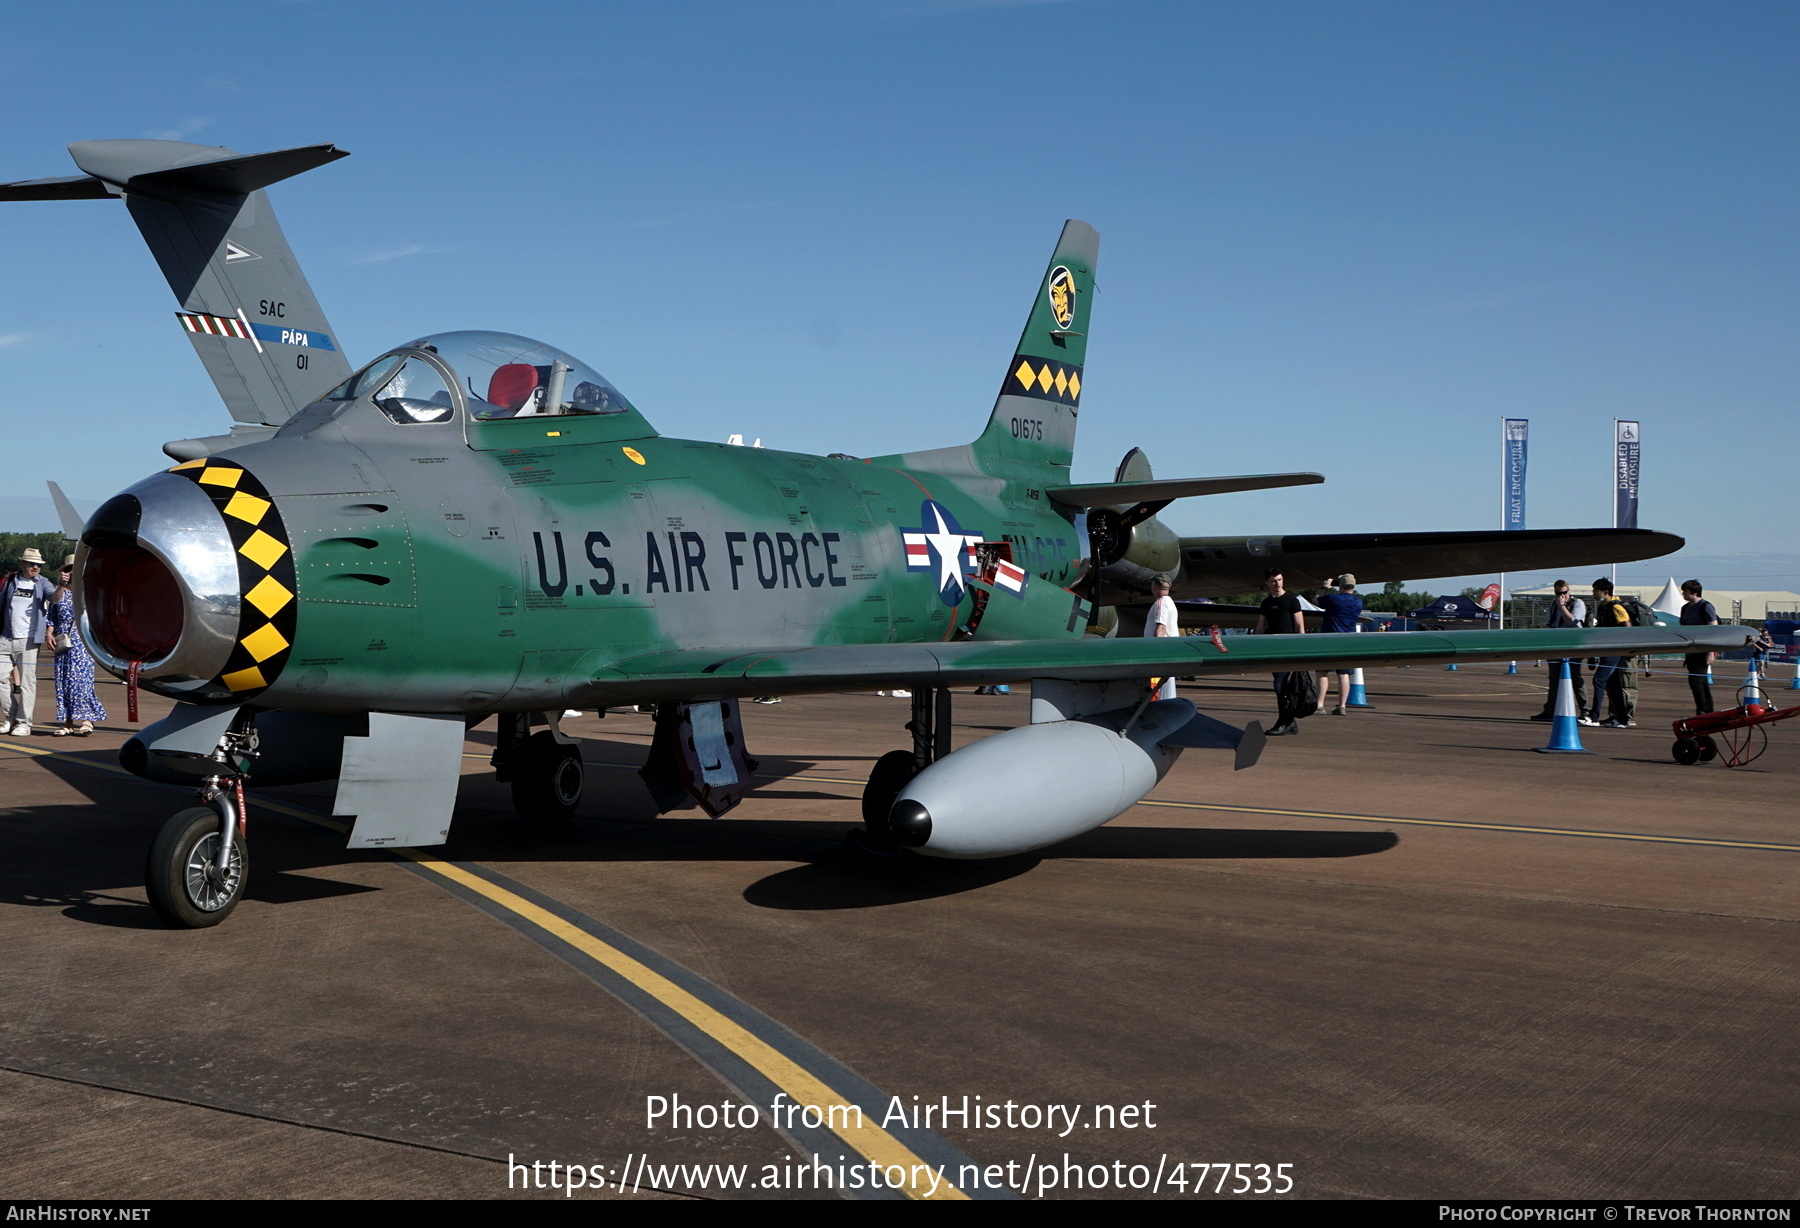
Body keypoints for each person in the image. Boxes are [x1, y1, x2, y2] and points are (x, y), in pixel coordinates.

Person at [46, 556, 104, 736]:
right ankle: (68, 722)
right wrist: (49, 633)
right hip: (63, 641)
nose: (71, 572)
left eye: (75, 568)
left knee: (82, 682)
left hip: (82, 640)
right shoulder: (61, 591)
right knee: (64, 682)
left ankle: (87, 719)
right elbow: (53, 609)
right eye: (69, 569)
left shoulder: (88, 591)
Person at [1, 548, 55, 735]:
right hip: (5, 637)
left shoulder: (43, 583)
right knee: (0, 679)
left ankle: (24, 722)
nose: (35, 567)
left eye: (38, 565)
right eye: (31, 564)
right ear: (22, 564)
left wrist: (62, 586)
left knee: (27, 682)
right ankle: (10, 716)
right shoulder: (10, 581)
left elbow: (54, 598)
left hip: (29, 639)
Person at [1256, 568, 1307, 735]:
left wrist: (1301, 648)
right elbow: (1261, 627)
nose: (1276, 583)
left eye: (1279, 579)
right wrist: (1255, 646)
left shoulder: (1292, 601)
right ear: (1267, 583)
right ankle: (1288, 721)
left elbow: (1300, 626)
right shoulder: (1266, 603)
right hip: (1273, 649)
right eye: (1273, 580)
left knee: (1281, 684)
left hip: (1289, 648)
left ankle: (1284, 721)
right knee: (1281, 685)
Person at [1531, 579, 1589, 722]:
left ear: (1569, 591)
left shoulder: (1577, 604)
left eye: (1563, 593)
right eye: (1558, 593)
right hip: (1556, 644)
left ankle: (1586, 711)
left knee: (1575, 678)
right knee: (1554, 679)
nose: (1561, 596)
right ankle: (1550, 710)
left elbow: (1573, 622)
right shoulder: (1554, 604)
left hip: (1573, 645)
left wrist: (1562, 606)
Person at [1588, 577, 1635, 728]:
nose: (1594, 594)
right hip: (1607, 649)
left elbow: (1627, 625)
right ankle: (1622, 719)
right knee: (1613, 684)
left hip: (1614, 650)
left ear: (1605, 592)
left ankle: (1594, 716)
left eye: (1596, 591)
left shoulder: (1616, 607)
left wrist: (1629, 647)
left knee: (1599, 680)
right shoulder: (1603, 606)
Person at [1314, 573, 1363, 715]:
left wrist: (1324, 588)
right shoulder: (1358, 602)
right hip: (1348, 640)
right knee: (1344, 674)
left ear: (1341, 585)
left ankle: (1320, 704)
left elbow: (1316, 601)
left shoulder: (1333, 598)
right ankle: (1342, 706)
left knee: (1322, 671)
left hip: (1329, 638)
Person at [1678, 580, 1718, 715]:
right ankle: (1708, 710)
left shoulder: (1705, 606)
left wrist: (1710, 652)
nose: (1683, 593)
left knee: (1696, 681)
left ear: (1694, 593)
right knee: (1701, 682)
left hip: (1703, 649)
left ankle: (1702, 710)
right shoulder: (1685, 608)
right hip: (1691, 650)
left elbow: (1714, 629)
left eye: (1685, 591)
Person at [1144, 574, 1179, 701]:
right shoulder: (1170, 602)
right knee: (1166, 689)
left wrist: (1155, 652)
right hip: (1169, 653)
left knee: (1157, 690)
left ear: (1155, 586)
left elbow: (1161, 628)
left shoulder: (1161, 603)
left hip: (1162, 655)